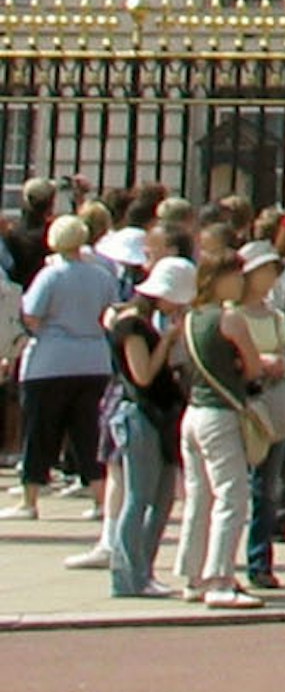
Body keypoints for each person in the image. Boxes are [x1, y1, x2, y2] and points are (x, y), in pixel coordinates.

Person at [172, 244, 268, 609]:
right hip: (222, 413)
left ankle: (193, 575)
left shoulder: (191, 317)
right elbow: (255, 367)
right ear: (221, 279)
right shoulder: (230, 318)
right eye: (236, 276)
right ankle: (220, 578)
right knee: (232, 496)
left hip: (194, 413)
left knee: (199, 497)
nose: (241, 282)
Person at [95, 253, 193, 599]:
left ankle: (143, 569)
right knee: (139, 497)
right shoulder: (131, 326)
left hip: (159, 415)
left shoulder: (145, 323)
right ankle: (127, 574)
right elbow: (142, 375)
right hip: (140, 415)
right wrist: (168, 342)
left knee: (162, 496)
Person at [16, 213, 115, 519]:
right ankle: (100, 499)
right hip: (94, 359)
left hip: (51, 360)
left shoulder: (51, 275)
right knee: (88, 433)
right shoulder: (101, 275)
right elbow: (109, 312)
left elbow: (31, 315)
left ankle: (29, 499)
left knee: (40, 431)